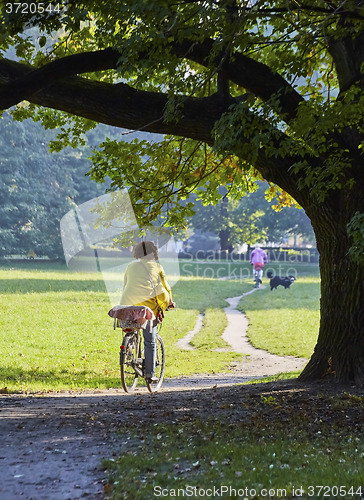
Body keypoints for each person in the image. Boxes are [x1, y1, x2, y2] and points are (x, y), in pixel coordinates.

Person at [120, 241, 174, 382]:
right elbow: (165, 287)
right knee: (150, 341)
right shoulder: (157, 267)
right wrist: (169, 302)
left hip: (128, 307)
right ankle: (150, 374)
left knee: (132, 329)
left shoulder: (130, 266)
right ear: (153, 253)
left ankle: (129, 347)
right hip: (147, 309)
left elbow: (125, 285)